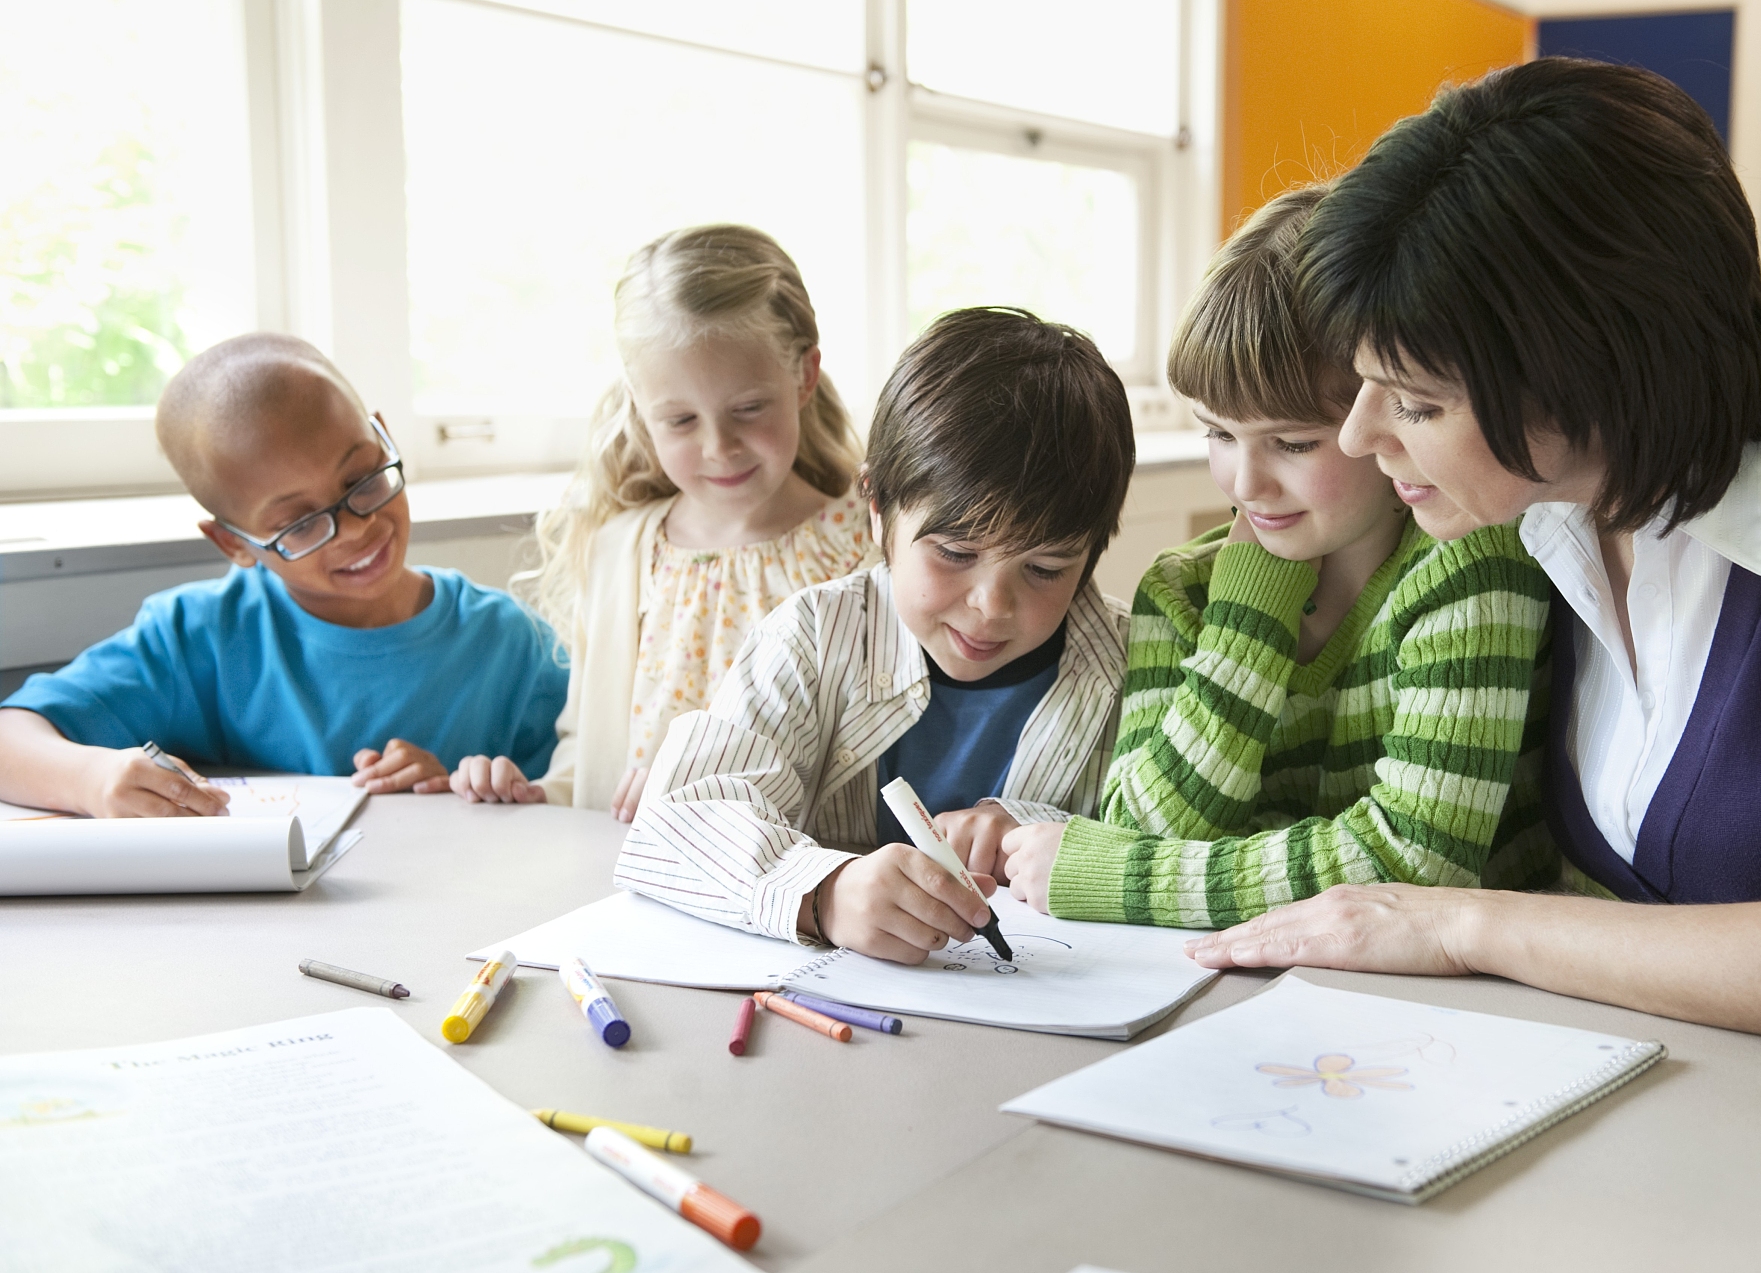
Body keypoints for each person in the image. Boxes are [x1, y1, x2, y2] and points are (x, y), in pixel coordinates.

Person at [1188, 58, 1761, 1067]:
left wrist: (1464, 925)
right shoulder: (1539, 516)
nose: (1356, 436)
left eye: (1416, 401)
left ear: (1592, 373)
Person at [998, 186, 1554, 927]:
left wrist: (1117, 875)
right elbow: (1141, 822)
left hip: (1454, 1001)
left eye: (1292, 443)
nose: (1245, 483)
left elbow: (1413, 866)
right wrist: (1251, 612)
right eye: (1219, 435)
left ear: (1386, 410)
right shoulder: (1183, 590)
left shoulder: (1471, 560)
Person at [614, 307, 1135, 964]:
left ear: (1092, 552)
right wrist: (825, 891)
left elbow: (1180, 846)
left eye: (1045, 568)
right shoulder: (812, 636)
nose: (991, 605)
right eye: (953, 552)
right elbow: (679, 822)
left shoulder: (1134, 662)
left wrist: (1049, 835)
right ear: (877, 506)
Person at [0, 333, 566, 817]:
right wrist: (94, 780)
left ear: (383, 437)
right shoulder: (197, 638)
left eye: (363, 479)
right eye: (299, 523)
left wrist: (462, 792)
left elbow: (570, 801)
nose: (354, 529)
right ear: (234, 543)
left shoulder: (512, 645)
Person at [452, 225, 873, 821]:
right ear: (640, 404)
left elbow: (872, 770)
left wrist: (706, 785)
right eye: (679, 420)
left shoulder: (865, 549)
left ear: (804, 377)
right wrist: (532, 794)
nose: (718, 447)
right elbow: (588, 758)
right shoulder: (621, 551)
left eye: (749, 409)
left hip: (789, 897)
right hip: (631, 890)